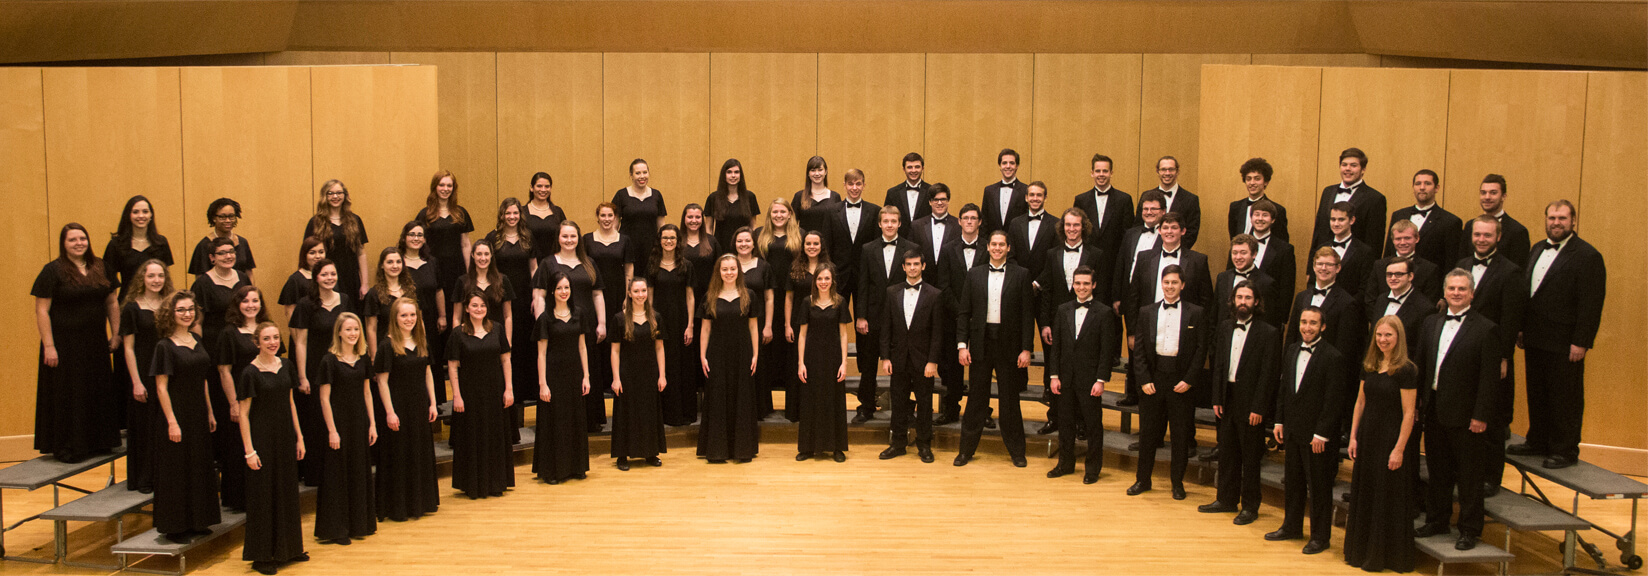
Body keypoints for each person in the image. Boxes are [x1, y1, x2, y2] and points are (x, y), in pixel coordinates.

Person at [1510, 200, 1606, 469]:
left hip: (1566, 342)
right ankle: (1538, 440)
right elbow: (1528, 293)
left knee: (1566, 397)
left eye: (1562, 218)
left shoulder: (1588, 256)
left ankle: (1565, 449)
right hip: (1535, 337)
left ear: (1573, 221)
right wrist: (1521, 328)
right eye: (1552, 217)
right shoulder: (1537, 248)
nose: (1556, 222)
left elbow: (1591, 304)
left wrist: (1582, 341)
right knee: (1537, 392)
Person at [1414, 270, 1501, 551]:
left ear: (1472, 294)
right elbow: (1422, 368)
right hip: (1435, 409)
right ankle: (1437, 520)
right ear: (1445, 291)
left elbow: (1489, 380)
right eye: (1451, 288)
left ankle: (1469, 529)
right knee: (1438, 471)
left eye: (1462, 289)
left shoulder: (1486, 328)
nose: (1456, 293)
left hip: (1467, 416)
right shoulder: (1431, 323)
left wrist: (1480, 416)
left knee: (1469, 476)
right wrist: (1418, 405)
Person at [32, 223, 120, 463]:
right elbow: (42, 310)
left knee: (95, 389)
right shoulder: (53, 271)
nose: (79, 243)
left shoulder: (101, 266)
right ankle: (70, 446)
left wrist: (116, 333)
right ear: (64, 243)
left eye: (82, 238)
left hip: (94, 343)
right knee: (69, 394)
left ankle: (98, 442)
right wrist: (49, 346)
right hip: (64, 344)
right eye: (73, 240)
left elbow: (112, 302)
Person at [1266, 307, 1349, 555]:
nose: (1307, 327)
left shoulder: (1333, 357)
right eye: (1303, 322)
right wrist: (1279, 421)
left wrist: (1322, 433)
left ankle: (1320, 537)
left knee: (1319, 487)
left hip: (1317, 436)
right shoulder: (1291, 349)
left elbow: (1334, 401)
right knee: (1293, 482)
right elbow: (1284, 390)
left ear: (1322, 327)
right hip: (1292, 430)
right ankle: (1291, 526)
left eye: (1313, 323)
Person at [1344, 316, 1420, 571]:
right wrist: (1353, 436)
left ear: (1398, 338)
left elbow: (1409, 413)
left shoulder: (1406, 370)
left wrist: (1399, 449)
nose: (1383, 340)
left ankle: (1384, 556)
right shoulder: (1370, 364)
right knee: (1367, 492)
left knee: (1387, 495)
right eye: (1379, 335)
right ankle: (1362, 551)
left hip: (1390, 439)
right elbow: (1360, 403)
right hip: (1368, 437)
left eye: (1388, 335)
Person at [1457, 215, 1526, 494]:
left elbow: (1510, 321)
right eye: (1477, 235)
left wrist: (1503, 357)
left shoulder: (1510, 272)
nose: (1481, 240)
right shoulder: (1462, 265)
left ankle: (1490, 477)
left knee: (1492, 417)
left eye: (1487, 235)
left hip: (1493, 355)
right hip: (1463, 352)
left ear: (1498, 237)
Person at [1200, 282, 1280, 523]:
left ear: (1256, 302)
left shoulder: (1269, 332)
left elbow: (1269, 374)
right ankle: (1226, 499)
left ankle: (1250, 506)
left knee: (1250, 456)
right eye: (1239, 297)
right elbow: (1218, 366)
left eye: (1248, 297)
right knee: (1226, 451)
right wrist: (1216, 397)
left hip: (1251, 401)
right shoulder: (1225, 327)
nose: (1242, 302)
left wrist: (1259, 407)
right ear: (1233, 301)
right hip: (1227, 397)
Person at [955, 231, 1035, 466]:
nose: (997, 248)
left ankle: (1017, 452)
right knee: (976, 399)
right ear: (987, 247)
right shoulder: (975, 274)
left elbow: (1027, 316)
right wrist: (962, 345)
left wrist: (1026, 349)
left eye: (1002, 244)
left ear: (1009, 248)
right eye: (993, 244)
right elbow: (964, 313)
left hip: (1009, 345)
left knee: (1010, 400)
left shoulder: (1021, 275)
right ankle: (965, 451)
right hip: (981, 343)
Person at [1128, 265, 1206, 500]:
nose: (1170, 286)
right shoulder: (1146, 312)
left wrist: (1189, 380)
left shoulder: (1196, 313)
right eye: (1166, 282)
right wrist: (1143, 380)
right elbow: (1139, 350)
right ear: (1161, 284)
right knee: (1148, 434)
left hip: (1181, 382)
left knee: (1180, 436)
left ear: (1182, 285)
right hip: (1153, 380)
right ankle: (1143, 480)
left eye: (1174, 282)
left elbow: (1201, 351)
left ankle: (1177, 483)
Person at [235, 322, 307, 575]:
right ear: (257, 343)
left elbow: (290, 403)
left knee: (287, 491)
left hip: (285, 437)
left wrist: (299, 437)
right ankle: (263, 555)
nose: (273, 342)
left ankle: (290, 548)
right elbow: (243, 414)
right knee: (263, 496)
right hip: (262, 440)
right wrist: (249, 450)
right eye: (267, 338)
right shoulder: (249, 373)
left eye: (276, 337)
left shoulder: (286, 366)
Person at [151, 290, 221, 543]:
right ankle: (176, 526)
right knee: (177, 469)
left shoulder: (196, 339)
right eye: (181, 310)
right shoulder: (164, 346)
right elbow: (161, 387)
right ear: (170, 313)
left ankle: (198, 520)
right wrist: (171, 421)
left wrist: (210, 411)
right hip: (176, 414)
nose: (187, 313)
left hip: (198, 413)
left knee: (199, 465)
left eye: (190, 309)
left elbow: (202, 379)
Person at [1037, 206, 1111, 434]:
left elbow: (1101, 291)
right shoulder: (1052, 254)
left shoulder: (1096, 254)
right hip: (1058, 322)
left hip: (1087, 323)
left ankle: (1080, 422)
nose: (1071, 229)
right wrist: (1046, 323)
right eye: (1068, 225)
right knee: (1055, 369)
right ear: (1062, 227)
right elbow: (1047, 290)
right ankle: (1055, 417)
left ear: (1083, 227)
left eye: (1076, 225)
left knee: (1082, 373)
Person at [532, 221, 607, 433]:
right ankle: (561, 421)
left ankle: (588, 420)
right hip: (557, 328)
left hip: (585, 327)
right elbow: (539, 295)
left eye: (573, 236)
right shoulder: (548, 263)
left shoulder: (588, 262)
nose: (569, 240)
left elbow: (598, 294)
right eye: (565, 236)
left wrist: (601, 323)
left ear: (578, 239)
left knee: (586, 371)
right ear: (558, 238)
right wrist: (543, 325)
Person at [191, 236, 253, 495]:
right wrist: (201, 351)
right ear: (212, 257)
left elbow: (252, 307)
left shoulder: (242, 278)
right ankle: (221, 471)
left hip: (240, 348)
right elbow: (197, 320)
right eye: (222, 253)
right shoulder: (203, 283)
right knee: (223, 410)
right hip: (215, 349)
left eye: (231, 252)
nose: (228, 256)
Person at [1046, 266, 1118, 484]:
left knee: (1093, 425)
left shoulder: (1104, 312)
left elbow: (1107, 350)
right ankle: (1065, 464)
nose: (1081, 287)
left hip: (1090, 380)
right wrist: (1054, 375)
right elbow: (1056, 346)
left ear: (1093, 285)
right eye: (1078, 283)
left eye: (1086, 283)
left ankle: (1093, 468)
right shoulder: (1062, 309)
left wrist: (1101, 380)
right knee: (1065, 422)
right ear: (1073, 284)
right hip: (1065, 377)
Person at [289, 259, 357, 486]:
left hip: (340, 366)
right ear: (315, 278)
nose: (330, 278)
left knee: (339, 416)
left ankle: (340, 469)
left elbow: (352, 333)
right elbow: (300, 342)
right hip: (315, 368)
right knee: (317, 421)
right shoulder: (305, 304)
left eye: (333, 274)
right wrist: (302, 376)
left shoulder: (345, 300)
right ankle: (317, 473)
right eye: (325, 274)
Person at [372, 297, 440, 520]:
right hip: (398, 407)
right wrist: (390, 412)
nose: (409, 319)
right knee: (400, 454)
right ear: (395, 318)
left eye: (412, 315)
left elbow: (427, 372)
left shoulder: (421, 341)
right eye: (404, 315)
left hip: (419, 404)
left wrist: (432, 402)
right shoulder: (387, 345)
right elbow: (382, 381)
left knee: (418, 451)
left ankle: (420, 502)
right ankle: (399, 507)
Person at [446, 290, 515, 498]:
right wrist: (456, 395)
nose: (479, 309)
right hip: (470, 392)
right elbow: (452, 366)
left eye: (482, 306)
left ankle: (495, 483)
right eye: (474, 305)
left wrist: (509, 388)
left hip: (494, 390)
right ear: (467, 308)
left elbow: (505, 360)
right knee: (472, 435)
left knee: (494, 434)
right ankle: (474, 484)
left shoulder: (497, 329)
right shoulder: (458, 333)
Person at [315, 313, 376, 545]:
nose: (353, 334)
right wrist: (332, 430)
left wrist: (372, 423)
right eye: (348, 329)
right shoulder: (329, 361)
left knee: (358, 471)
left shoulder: (362, 359)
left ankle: (359, 524)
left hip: (359, 422)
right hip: (338, 424)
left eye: (356, 329)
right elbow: (324, 399)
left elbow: (367, 393)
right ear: (339, 332)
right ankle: (337, 529)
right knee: (337, 475)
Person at [877, 250, 944, 463]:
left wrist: (932, 360)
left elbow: (937, 332)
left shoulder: (935, 294)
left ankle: (924, 445)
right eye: (909, 264)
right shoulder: (891, 292)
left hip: (924, 360)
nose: (913, 267)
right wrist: (885, 357)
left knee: (925, 403)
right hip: (898, 358)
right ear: (903, 267)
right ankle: (898, 444)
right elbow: (885, 328)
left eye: (916, 263)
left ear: (923, 266)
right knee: (898, 402)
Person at [853, 207, 916, 423]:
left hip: (901, 316)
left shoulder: (911, 248)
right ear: (879, 224)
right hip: (873, 315)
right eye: (885, 221)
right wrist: (861, 316)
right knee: (868, 364)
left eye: (893, 221)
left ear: (900, 223)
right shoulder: (868, 249)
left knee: (902, 366)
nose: (889, 225)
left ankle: (904, 405)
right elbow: (862, 284)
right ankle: (866, 405)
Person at [214, 285, 272, 512]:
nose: (251, 305)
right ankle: (240, 498)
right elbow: (224, 370)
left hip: (264, 397)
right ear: (238, 305)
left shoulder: (267, 328)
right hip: (241, 399)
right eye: (246, 301)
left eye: (255, 301)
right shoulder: (229, 332)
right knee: (240, 447)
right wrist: (233, 403)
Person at [698, 254, 761, 463]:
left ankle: (742, 450)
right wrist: (703, 356)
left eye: (732, 268)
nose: (729, 272)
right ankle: (717, 451)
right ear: (719, 272)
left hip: (742, 353)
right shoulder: (710, 296)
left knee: (741, 397)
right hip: (717, 353)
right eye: (724, 269)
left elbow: (753, 326)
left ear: (738, 271)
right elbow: (705, 329)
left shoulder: (749, 294)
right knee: (718, 398)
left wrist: (755, 354)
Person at [120, 259, 174, 492]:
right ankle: (144, 478)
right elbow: (128, 348)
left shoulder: (171, 304)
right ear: (142, 278)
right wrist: (136, 382)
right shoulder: (132, 307)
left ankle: (165, 475)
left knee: (165, 425)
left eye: (160, 276)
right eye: (151, 276)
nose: (156, 280)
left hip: (168, 370)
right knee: (144, 428)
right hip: (143, 371)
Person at [485, 198, 539, 429]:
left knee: (522, 345)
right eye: (508, 213)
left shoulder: (528, 237)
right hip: (500, 297)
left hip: (524, 298)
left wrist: (537, 296)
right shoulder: (492, 238)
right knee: (504, 345)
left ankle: (523, 392)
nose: (512, 217)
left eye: (515, 213)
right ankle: (504, 393)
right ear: (502, 215)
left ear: (520, 215)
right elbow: (486, 266)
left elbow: (534, 268)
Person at [535, 272, 592, 483]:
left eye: (566, 287)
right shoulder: (545, 318)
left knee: (574, 419)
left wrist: (586, 376)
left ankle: (576, 467)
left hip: (574, 373)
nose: (563, 291)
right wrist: (543, 384)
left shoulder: (579, 313)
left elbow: (582, 347)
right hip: (553, 375)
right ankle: (554, 470)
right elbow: (541, 353)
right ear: (552, 291)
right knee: (556, 422)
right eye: (559, 288)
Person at [608, 278, 667, 470]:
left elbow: (659, 348)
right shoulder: (619, 318)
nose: (641, 294)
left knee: (648, 411)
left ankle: (650, 452)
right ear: (629, 293)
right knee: (626, 412)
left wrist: (662, 375)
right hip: (627, 373)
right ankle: (622, 456)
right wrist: (616, 378)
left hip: (649, 372)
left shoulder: (656, 317)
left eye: (643, 291)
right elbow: (615, 351)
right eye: (636, 291)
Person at [932, 204, 983, 425]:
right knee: (952, 368)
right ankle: (950, 410)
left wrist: (976, 313)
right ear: (959, 222)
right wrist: (962, 312)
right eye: (965, 218)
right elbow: (943, 286)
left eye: (973, 218)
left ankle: (982, 412)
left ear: (979, 222)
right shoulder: (948, 249)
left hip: (982, 318)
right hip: (953, 317)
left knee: (980, 369)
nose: (969, 222)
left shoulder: (991, 248)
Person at [586, 203, 634, 430]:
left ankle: (614, 384)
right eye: (602, 215)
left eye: (610, 215)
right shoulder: (587, 240)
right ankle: (600, 385)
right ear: (597, 217)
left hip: (617, 294)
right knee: (597, 340)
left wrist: (627, 296)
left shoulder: (624, 240)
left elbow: (629, 271)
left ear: (616, 217)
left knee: (616, 340)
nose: (606, 219)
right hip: (594, 295)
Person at [795, 266, 851, 462]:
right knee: (810, 400)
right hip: (811, 358)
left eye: (827, 278)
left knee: (834, 400)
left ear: (832, 280)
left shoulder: (840, 302)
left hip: (833, 358)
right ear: (815, 281)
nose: (824, 282)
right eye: (820, 278)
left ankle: (836, 447)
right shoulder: (806, 302)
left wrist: (844, 363)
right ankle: (808, 447)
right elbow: (802, 335)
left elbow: (843, 334)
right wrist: (801, 362)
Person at [758, 200, 802, 420]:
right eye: (774, 211)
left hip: (791, 296)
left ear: (789, 213)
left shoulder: (799, 235)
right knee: (767, 347)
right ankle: (764, 404)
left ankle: (792, 404)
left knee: (790, 345)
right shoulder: (760, 234)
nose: (778, 215)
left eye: (782, 211)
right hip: (765, 296)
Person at [650, 225, 698, 426]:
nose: (668, 241)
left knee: (682, 365)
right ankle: (664, 413)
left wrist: (690, 325)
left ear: (678, 241)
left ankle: (684, 413)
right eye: (665, 238)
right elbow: (648, 296)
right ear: (659, 240)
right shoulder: (652, 265)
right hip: (660, 320)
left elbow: (690, 296)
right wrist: (651, 320)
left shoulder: (687, 265)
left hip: (680, 321)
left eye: (672, 238)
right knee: (663, 363)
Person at [397, 222, 448, 405]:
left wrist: (442, 315)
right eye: (412, 234)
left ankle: (435, 402)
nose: (416, 238)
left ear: (425, 239)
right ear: (404, 237)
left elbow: (439, 290)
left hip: (431, 318)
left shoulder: (431, 262)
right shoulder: (398, 262)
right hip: (407, 321)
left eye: (419, 235)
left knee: (431, 359)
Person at [448, 241, 516, 376]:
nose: (482, 258)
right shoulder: (463, 282)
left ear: (491, 256)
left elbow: (508, 315)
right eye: (479, 254)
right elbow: (456, 317)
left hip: (495, 340)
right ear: (472, 255)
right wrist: (457, 344)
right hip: (469, 341)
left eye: (486, 254)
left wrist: (507, 342)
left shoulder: (503, 280)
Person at [416, 170, 475, 320]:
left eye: (449, 185)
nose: (445, 189)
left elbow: (466, 244)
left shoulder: (461, 213)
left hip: (456, 268)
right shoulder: (424, 214)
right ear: (435, 187)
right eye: (441, 185)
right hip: (433, 268)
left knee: (456, 308)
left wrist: (469, 273)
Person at [1386, 169, 1461, 286]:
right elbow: (1389, 251)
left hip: (1430, 286)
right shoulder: (1398, 215)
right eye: (1418, 184)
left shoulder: (1450, 221)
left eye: (1427, 183)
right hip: (1396, 284)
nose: (1422, 187)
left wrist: (1443, 296)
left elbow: (1450, 262)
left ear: (1436, 188)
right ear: (1413, 187)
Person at [731, 227, 777, 417]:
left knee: (757, 364)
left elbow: (769, 298)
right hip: (733, 323)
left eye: (747, 241)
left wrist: (768, 326)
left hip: (758, 323)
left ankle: (758, 409)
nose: (743, 244)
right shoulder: (728, 264)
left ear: (753, 243)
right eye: (740, 241)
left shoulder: (764, 266)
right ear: (734, 243)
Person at [1311, 147, 1387, 252]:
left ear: (1363, 169)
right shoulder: (1328, 192)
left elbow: (1374, 241)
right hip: (1324, 262)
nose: (1348, 168)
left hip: (1355, 262)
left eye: (1353, 165)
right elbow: (1318, 232)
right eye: (1344, 165)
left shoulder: (1375, 199)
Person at [1073, 154, 1135, 279]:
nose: (1101, 174)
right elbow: (1077, 231)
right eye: (1098, 171)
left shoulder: (1124, 200)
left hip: (1114, 263)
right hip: (1087, 263)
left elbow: (1127, 234)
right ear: (1092, 173)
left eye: (1105, 171)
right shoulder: (1081, 200)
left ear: (1111, 173)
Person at [827, 169, 879, 319]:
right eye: (850, 184)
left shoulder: (875, 211)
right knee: (835, 317)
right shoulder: (831, 211)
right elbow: (828, 244)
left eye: (858, 184)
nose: (854, 188)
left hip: (864, 274)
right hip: (838, 273)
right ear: (844, 185)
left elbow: (876, 246)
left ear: (864, 185)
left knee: (863, 320)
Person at [306, 179, 371, 299]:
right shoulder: (315, 222)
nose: (335, 196)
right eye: (330, 193)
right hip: (326, 278)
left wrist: (365, 284)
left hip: (351, 278)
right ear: (325, 196)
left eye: (339, 193)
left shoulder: (355, 220)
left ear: (345, 196)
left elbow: (361, 253)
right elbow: (308, 255)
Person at [104, 196, 177, 300]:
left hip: (156, 305)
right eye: (135, 212)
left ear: (151, 215)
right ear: (128, 215)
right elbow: (110, 284)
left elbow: (166, 280)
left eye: (145, 211)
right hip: (127, 304)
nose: (141, 215)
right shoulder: (115, 245)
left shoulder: (161, 243)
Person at [1367, 257, 1436, 359]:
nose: (1393, 278)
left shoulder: (1424, 308)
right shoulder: (1381, 299)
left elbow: (1420, 349)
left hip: (1404, 367)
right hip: (1377, 363)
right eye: (1389, 274)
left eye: (1399, 274)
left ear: (1410, 276)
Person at [1364, 221, 1441, 308]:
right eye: (1398, 239)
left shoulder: (1429, 269)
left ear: (1417, 238)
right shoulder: (1379, 265)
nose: (1403, 242)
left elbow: (1429, 304)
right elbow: (1370, 299)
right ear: (1393, 240)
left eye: (1407, 238)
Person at [1211, 235, 1276, 331]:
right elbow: (1215, 314)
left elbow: (1268, 320)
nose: (1238, 257)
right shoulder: (1222, 278)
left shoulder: (1266, 283)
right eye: (1234, 253)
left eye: (1243, 253)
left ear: (1254, 254)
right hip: (1223, 338)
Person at [1311, 202, 1375, 298]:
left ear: (1352, 220)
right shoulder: (1321, 247)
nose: (1336, 224)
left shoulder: (1364, 251)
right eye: (1333, 219)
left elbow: (1364, 288)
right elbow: (1312, 280)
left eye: (1341, 220)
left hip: (1350, 308)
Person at [1466, 174, 1531, 269]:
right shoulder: (1470, 225)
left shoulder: (1518, 231)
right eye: (1483, 193)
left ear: (1503, 196)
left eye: (1493, 193)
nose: (1487, 197)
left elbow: (1518, 272)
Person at [1249, 199, 1297, 329]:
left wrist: (1282, 319)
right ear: (1251, 218)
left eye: (1265, 215)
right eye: (1257, 214)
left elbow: (1287, 286)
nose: (1260, 219)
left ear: (1273, 220)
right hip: (1241, 311)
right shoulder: (1239, 244)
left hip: (1270, 314)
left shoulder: (1285, 250)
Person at [1139, 156, 1203, 250]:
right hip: (1147, 251)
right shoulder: (1146, 195)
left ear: (1177, 171)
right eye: (1163, 169)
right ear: (1158, 171)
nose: (1167, 173)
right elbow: (1138, 225)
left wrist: (1172, 250)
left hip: (1176, 254)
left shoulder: (1190, 199)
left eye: (1171, 169)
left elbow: (1191, 233)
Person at [363, 247, 416, 359]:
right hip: (386, 349)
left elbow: (419, 321)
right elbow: (371, 328)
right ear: (382, 265)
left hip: (410, 347)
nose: (395, 266)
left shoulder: (411, 290)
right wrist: (374, 356)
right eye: (390, 262)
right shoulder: (374, 293)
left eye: (398, 262)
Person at [187, 198, 257, 283]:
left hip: (241, 293)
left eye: (231, 216)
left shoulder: (242, 242)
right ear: (214, 218)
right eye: (222, 217)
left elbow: (249, 273)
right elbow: (199, 279)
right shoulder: (204, 245)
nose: (227, 220)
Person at [1228, 158, 1291, 244]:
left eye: (1257, 179)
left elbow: (1282, 243)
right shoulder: (1235, 207)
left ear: (1266, 182)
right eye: (1248, 179)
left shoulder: (1278, 210)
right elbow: (1233, 238)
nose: (1252, 183)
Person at [613, 158, 669, 254]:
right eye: (638, 173)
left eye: (645, 172)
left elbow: (661, 226)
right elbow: (614, 225)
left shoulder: (656, 195)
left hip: (652, 248)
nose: (642, 176)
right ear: (631, 175)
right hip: (627, 247)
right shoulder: (621, 195)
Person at [706, 159, 760, 257]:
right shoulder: (713, 198)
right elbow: (708, 228)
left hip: (744, 248)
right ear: (724, 175)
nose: (733, 175)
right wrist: (711, 247)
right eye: (729, 172)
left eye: (736, 172)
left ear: (741, 175)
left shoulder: (750, 197)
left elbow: (753, 226)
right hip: (720, 248)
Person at [278, 237, 327, 337]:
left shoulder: (330, 278)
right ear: (304, 255)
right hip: (303, 334)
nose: (317, 256)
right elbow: (290, 312)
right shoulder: (295, 280)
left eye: (321, 252)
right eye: (312, 253)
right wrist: (297, 340)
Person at [981, 148, 1029, 236]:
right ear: (999, 166)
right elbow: (984, 222)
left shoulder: (1026, 190)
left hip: (1016, 244)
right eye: (1004, 163)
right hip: (993, 245)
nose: (1008, 166)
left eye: (1012, 163)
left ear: (1017, 166)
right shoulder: (989, 191)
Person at [883, 152, 932, 236]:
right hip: (900, 241)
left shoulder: (931, 191)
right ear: (904, 169)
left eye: (917, 167)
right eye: (909, 167)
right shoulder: (893, 193)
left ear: (922, 168)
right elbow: (886, 218)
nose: (913, 170)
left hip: (924, 241)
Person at [792, 155, 841, 238]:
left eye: (820, 170)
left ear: (826, 172)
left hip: (828, 246)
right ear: (808, 173)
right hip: (805, 246)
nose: (817, 174)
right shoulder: (799, 196)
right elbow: (791, 224)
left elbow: (838, 226)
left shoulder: (835, 197)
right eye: (813, 170)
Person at [521, 172, 565, 262]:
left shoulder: (557, 212)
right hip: (528, 264)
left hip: (554, 264)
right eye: (539, 186)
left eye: (547, 186)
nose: (543, 190)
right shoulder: (522, 212)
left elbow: (565, 236)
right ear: (531, 188)